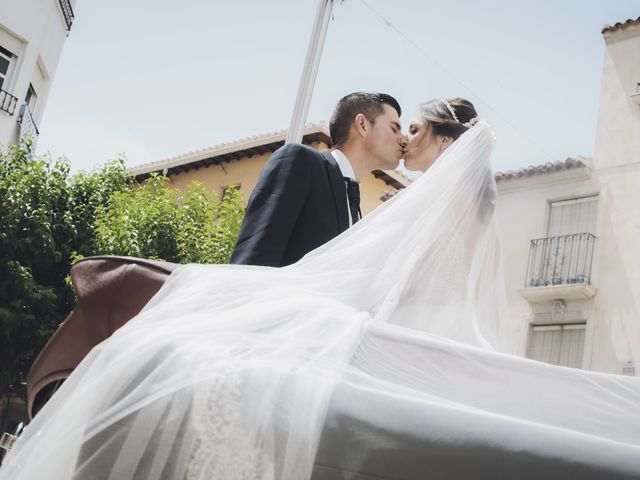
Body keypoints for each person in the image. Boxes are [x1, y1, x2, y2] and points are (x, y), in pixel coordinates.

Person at [3, 99, 640, 480]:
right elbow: (263, 258)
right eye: (399, 125)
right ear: (364, 125)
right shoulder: (323, 172)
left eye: (414, 128)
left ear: (445, 141)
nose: (405, 137)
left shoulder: (421, 208)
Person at [231, 91, 407, 267]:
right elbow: (252, 261)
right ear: (362, 125)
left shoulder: (355, 206)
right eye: (394, 129)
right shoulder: (299, 161)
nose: (404, 140)